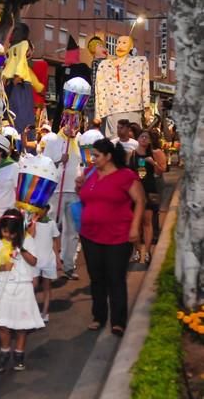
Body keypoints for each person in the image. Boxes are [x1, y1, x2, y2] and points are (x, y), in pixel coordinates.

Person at [76, 138, 145, 336]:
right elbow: (85, 198)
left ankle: (118, 321)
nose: (93, 159)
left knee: (115, 278)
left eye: (96, 156)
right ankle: (99, 316)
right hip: (90, 235)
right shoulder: (90, 173)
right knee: (96, 278)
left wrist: (134, 227)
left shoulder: (126, 176)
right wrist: (79, 186)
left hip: (118, 236)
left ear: (108, 156)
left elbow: (140, 201)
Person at [0, 208, 44, 372]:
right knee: (3, 323)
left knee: (21, 324)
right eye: (5, 231)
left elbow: (33, 262)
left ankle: (19, 352)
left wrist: (21, 248)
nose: (8, 236)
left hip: (23, 286)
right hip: (4, 287)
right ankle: (4, 352)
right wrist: (3, 267)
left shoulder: (28, 241)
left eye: (12, 233)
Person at [43, 123, 82, 280]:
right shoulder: (53, 140)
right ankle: (47, 265)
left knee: (71, 231)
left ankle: (68, 266)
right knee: (50, 229)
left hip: (74, 192)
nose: (72, 127)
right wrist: (59, 160)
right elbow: (44, 164)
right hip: (55, 191)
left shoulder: (80, 141)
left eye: (76, 124)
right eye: (69, 123)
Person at [95, 35, 151, 137]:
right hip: (112, 109)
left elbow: (145, 84)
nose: (120, 45)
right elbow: (99, 89)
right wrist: (98, 113)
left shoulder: (140, 62)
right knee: (114, 141)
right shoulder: (105, 65)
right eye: (118, 43)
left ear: (131, 46)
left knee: (132, 139)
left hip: (133, 108)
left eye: (124, 43)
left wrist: (147, 107)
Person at [128, 130, 166, 265]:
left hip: (149, 190)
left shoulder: (154, 154)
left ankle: (148, 251)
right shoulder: (131, 154)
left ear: (150, 141)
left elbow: (160, 171)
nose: (144, 139)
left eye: (147, 137)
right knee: (135, 223)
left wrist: (153, 163)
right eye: (142, 136)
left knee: (147, 222)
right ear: (137, 139)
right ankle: (137, 250)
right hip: (134, 192)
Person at [31, 205, 61, 323]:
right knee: (32, 286)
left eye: (42, 208)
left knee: (46, 287)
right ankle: (31, 311)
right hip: (34, 261)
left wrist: (58, 259)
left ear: (47, 210)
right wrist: (32, 222)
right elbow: (30, 236)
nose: (39, 211)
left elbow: (54, 241)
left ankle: (45, 312)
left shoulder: (51, 223)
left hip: (48, 260)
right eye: (37, 208)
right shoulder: (30, 223)